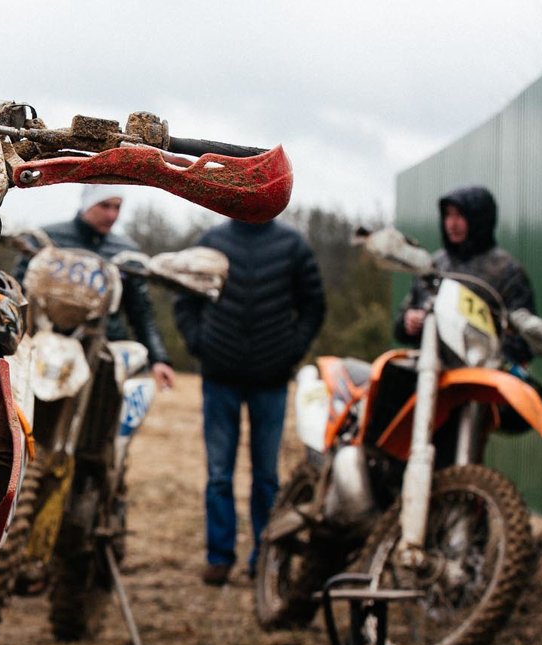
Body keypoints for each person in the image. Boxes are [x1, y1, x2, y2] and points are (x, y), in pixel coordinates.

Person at [175, 217, 325, 586]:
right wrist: (200, 344)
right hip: (220, 376)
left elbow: (314, 306)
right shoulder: (210, 239)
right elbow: (184, 299)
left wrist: (292, 351)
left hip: (270, 380)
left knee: (267, 476)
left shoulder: (293, 244)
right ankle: (219, 558)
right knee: (219, 475)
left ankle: (265, 557)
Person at [17, 186, 175, 389]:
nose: (112, 214)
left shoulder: (126, 253)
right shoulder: (46, 239)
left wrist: (158, 358)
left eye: (117, 207)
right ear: (88, 203)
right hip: (44, 349)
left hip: (104, 354)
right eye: (105, 205)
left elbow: (141, 312)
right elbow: (20, 293)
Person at [394, 185, 536, 365]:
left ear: (479, 218)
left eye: (460, 215)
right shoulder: (433, 266)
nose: (452, 223)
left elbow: (524, 341)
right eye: (448, 215)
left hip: (485, 376)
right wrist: (410, 323)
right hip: (432, 371)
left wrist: (494, 357)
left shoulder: (507, 272)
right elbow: (401, 324)